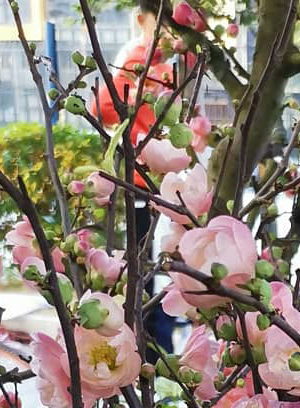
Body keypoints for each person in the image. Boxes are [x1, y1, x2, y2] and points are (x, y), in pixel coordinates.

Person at [90, 0, 181, 355]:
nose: (166, 31)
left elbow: (104, 108)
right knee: (148, 261)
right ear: (143, 20)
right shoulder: (141, 60)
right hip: (145, 181)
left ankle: (153, 337)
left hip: (150, 180)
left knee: (151, 261)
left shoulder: (153, 62)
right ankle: (150, 338)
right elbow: (105, 107)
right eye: (161, 22)